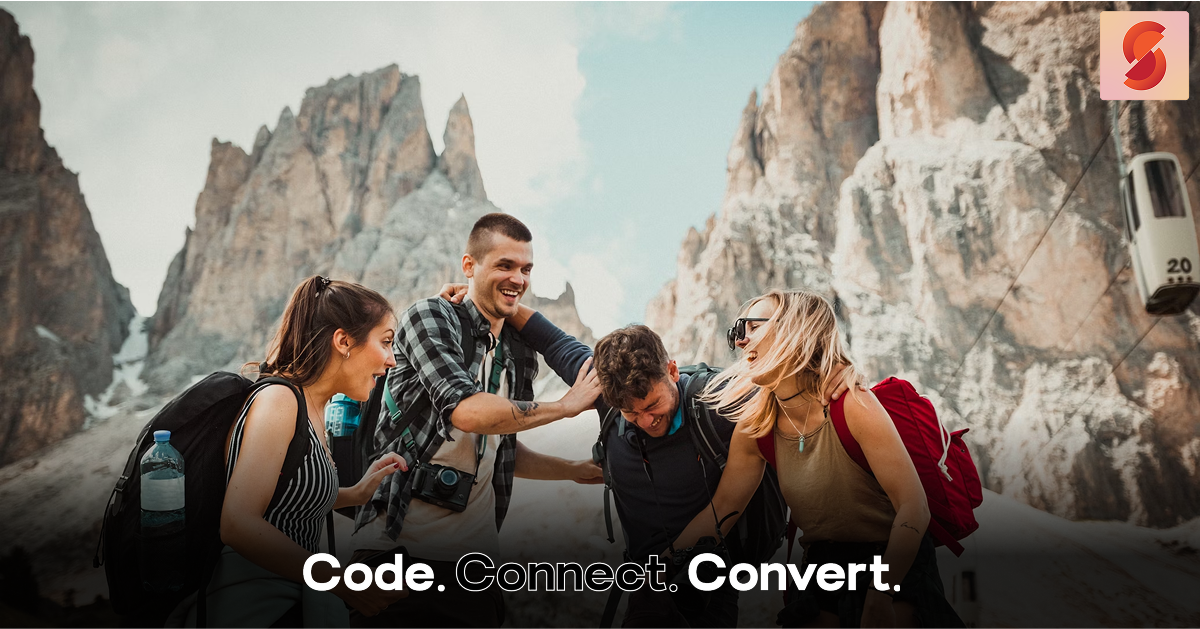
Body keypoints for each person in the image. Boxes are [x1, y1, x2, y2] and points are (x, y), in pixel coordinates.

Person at [435, 287, 853, 629]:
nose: (645, 421)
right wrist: (485, 297)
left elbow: (794, 380)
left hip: (714, 570)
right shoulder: (607, 393)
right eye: (630, 414)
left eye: (653, 405)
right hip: (647, 576)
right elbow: (550, 338)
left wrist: (839, 372)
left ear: (672, 370)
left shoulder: (717, 400)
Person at [349, 213, 604, 628]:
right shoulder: (429, 317)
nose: (518, 279)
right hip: (394, 552)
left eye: (526, 269)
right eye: (504, 265)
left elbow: (500, 444)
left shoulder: (520, 355)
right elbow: (466, 411)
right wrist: (565, 407)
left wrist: (573, 471)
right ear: (469, 266)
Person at [672, 289, 966, 629]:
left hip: (893, 564)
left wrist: (881, 593)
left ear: (794, 329)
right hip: (822, 571)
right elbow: (720, 511)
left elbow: (914, 507)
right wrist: (657, 567)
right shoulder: (757, 428)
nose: (741, 341)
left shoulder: (851, 404)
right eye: (738, 330)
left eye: (753, 327)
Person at [168, 275, 410, 629]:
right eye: (386, 342)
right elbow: (238, 524)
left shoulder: (312, 410)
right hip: (252, 608)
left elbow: (284, 501)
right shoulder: (280, 400)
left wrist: (355, 493)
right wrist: (341, 581)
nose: (390, 360)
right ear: (343, 341)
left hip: (286, 603)